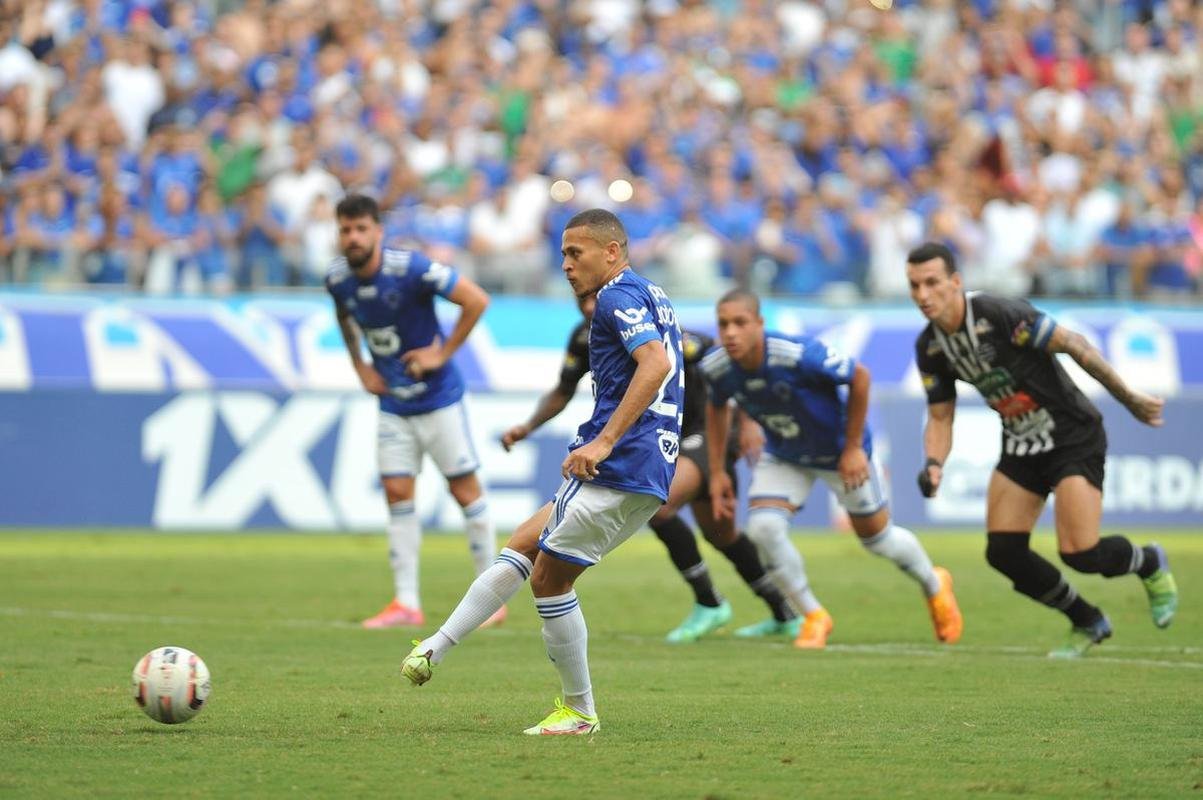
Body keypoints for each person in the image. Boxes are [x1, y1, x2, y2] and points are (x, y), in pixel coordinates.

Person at [401, 208, 684, 736]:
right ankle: (435, 647)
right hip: (648, 460)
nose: (567, 265)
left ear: (612, 252)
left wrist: (604, 440)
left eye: (576, 254)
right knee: (524, 542)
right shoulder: (652, 293)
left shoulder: (616, 297)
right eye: (563, 255)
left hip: (622, 459)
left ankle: (579, 711)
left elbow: (655, 364)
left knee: (550, 581)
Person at [905, 241, 1178, 658]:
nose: (922, 295)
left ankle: (1149, 561)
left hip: (1072, 435)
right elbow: (940, 416)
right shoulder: (931, 347)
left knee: (1080, 553)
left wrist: (1128, 396)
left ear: (955, 282)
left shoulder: (999, 315)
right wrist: (934, 463)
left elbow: (1074, 344)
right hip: (1021, 443)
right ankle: (1087, 620)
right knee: (1003, 552)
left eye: (931, 283)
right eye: (914, 285)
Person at [500, 295, 799, 643]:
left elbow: (728, 369)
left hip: (704, 433)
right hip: (659, 441)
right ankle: (783, 612)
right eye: (581, 300)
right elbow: (563, 389)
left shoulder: (660, 333)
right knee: (721, 532)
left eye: (593, 299)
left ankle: (710, 602)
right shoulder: (584, 338)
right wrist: (528, 426)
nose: (588, 307)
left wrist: (746, 422)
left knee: (660, 503)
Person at [701, 289, 963, 650]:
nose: (730, 332)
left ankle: (935, 583)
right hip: (786, 454)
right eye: (723, 324)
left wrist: (853, 448)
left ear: (759, 324)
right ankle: (813, 614)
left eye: (740, 323)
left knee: (878, 540)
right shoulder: (716, 366)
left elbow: (860, 377)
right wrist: (717, 471)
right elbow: (717, 407)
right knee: (763, 528)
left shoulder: (796, 354)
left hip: (841, 453)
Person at [325, 193, 498, 630]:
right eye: (345, 229)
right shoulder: (338, 279)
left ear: (378, 231)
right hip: (392, 404)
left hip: (438, 399)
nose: (353, 237)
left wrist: (442, 353)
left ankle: (491, 598)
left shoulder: (411, 269)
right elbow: (345, 317)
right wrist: (360, 366)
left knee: (465, 492)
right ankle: (406, 604)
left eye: (361, 228)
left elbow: (476, 299)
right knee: (397, 493)